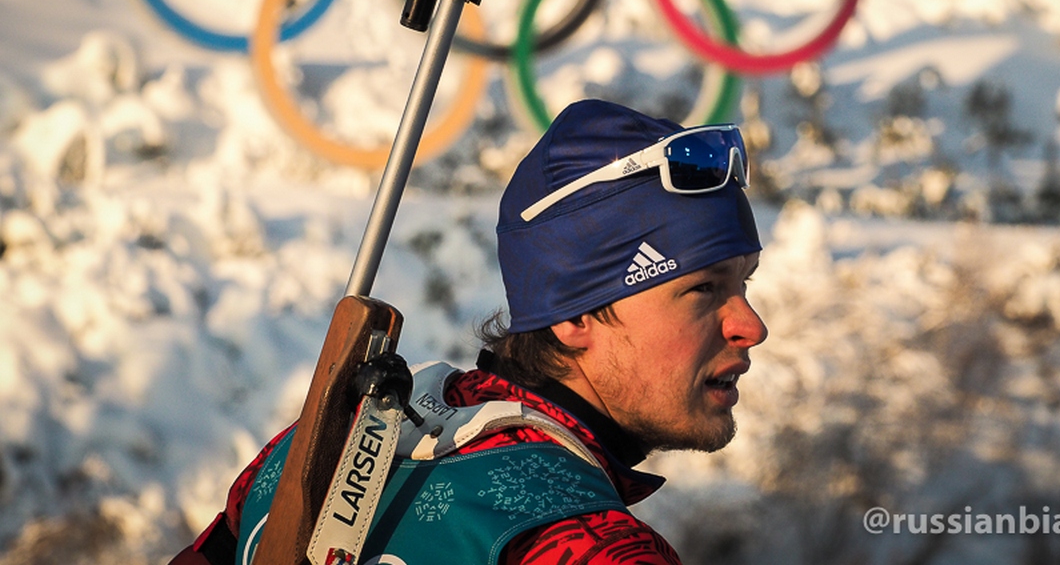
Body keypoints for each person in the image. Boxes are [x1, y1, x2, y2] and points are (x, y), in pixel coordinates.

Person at [170, 98, 768, 565]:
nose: (751, 326)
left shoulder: (307, 452)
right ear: (575, 316)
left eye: (744, 283)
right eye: (703, 290)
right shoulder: (592, 547)